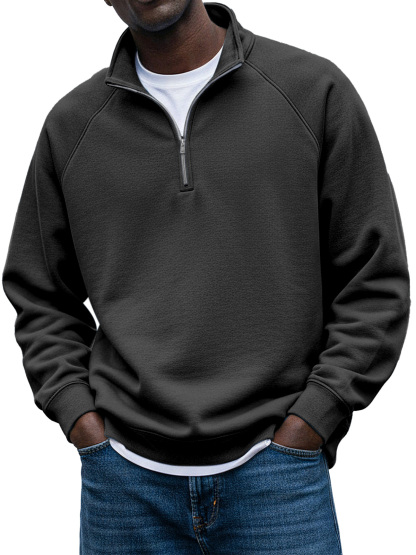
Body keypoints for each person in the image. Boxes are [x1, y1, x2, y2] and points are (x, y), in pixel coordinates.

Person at [2, 1, 411, 553]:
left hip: (278, 479)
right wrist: (79, 416)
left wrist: (317, 414)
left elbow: (375, 278)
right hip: (124, 486)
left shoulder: (312, 92)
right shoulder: (72, 126)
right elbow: (40, 294)